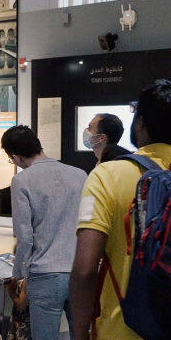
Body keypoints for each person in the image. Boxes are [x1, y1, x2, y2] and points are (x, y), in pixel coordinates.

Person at [70, 79, 171, 340]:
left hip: (123, 327)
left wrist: (79, 333)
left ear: (141, 123)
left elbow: (85, 269)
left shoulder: (108, 175)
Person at [1, 125, 87, 340]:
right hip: (79, 271)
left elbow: (24, 235)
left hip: (45, 272)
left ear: (15, 157)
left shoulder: (21, 181)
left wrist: (18, 273)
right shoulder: (79, 175)